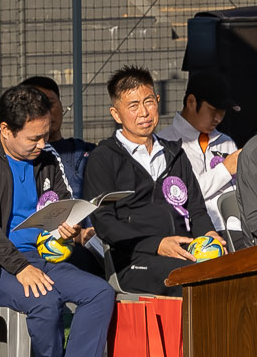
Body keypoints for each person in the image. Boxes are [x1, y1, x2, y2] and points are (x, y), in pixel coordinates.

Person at [0, 82, 111, 357]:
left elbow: (62, 203)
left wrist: (68, 225)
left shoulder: (49, 156)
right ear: (6, 130)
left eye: (45, 134)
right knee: (44, 300)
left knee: (100, 292)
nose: (42, 144)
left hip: (44, 257)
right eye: (34, 138)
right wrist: (20, 267)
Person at [86, 67, 220, 296]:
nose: (144, 113)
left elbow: (196, 209)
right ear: (116, 114)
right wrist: (156, 244)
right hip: (133, 261)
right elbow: (104, 223)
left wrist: (209, 235)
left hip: (186, 251)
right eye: (133, 106)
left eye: (148, 102)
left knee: (235, 269)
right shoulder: (103, 157)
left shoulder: (174, 153)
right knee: (193, 279)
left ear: (158, 101)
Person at [157, 70, 240, 207]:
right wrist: (224, 170)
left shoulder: (226, 141)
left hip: (233, 225)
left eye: (222, 111)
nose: (218, 118)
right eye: (213, 110)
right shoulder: (163, 143)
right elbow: (178, 195)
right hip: (191, 227)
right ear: (191, 102)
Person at [21, 75, 93, 195]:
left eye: (50, 104)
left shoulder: (87, 151)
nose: (46, 112)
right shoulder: (15, 158)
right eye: (37, 107)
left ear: (61, 105)